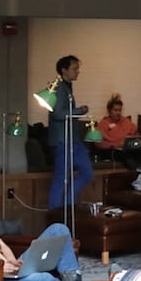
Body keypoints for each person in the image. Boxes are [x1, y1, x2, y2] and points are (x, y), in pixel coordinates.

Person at [47, 55, 93, 210]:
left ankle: (67, 204)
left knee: (87, 172)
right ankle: (55, 214)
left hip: (72, 140)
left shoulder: (67, 87)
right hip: (62, 141)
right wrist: (79, 111)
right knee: (61, 179)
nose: (77, 71)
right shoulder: (58, 88)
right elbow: (58, 114)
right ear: (64, 70)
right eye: (74, 69)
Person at [93, 93, 137, 158]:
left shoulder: (126, 121)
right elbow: (98, 143)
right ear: (109, 111)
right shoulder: (103, 124)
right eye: (115, 110)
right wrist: (114, 145)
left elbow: (136, 135)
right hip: (112, 151)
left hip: (128, 149)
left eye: (120, 110)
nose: (118, 113)